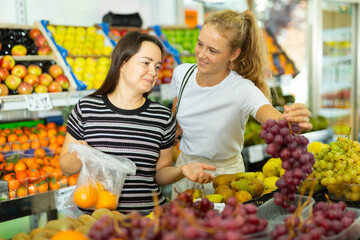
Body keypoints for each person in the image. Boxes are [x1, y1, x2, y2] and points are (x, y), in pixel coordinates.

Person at [59, 31, 216, 214]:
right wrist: (80, 155)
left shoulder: (162, 117)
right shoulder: (87, 108)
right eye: (146, 63)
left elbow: (159, 174)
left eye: (157, 66)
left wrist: (182, 170)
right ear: (123, 63)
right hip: (97, 223)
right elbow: (65, 168)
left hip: (148, 221)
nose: (153, 72)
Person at [170, 9, 312, 198]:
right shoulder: (182, 74)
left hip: (226, 178)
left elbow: (269, 117)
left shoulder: (241, 89)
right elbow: (178, 104)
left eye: (212, 50)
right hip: (185, 171)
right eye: (200, 44)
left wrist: (292, 122)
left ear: (234, 54)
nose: (202, 54)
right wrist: (176, 128)